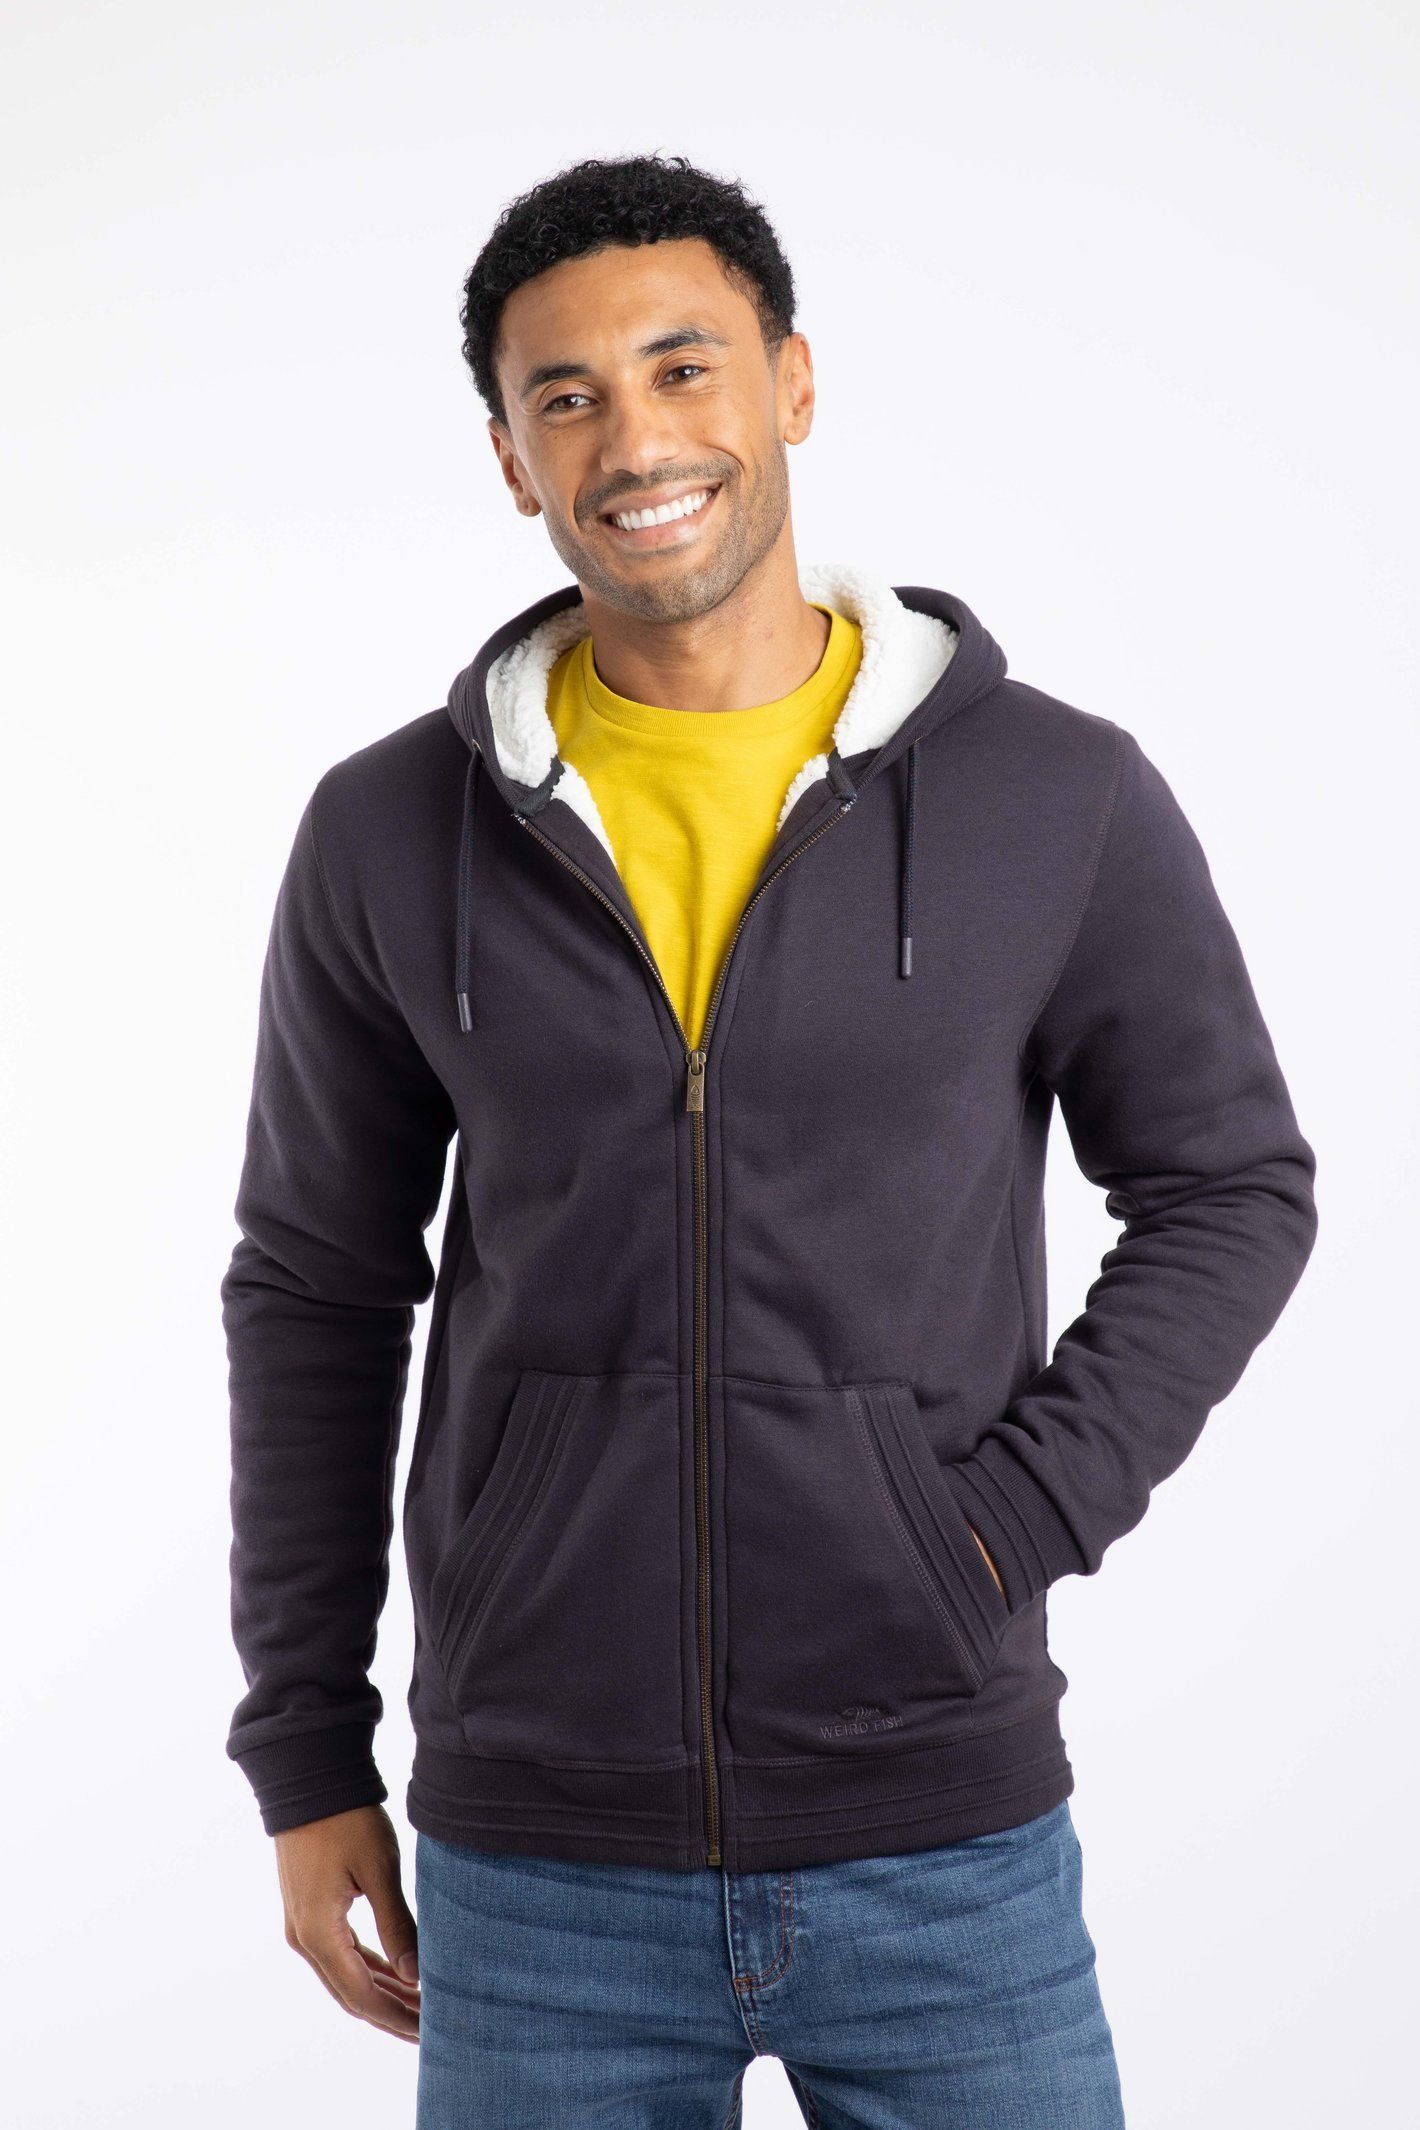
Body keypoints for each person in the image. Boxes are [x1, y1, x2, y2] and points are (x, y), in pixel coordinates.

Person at [222, 152, 1318, 2128]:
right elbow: (315, 1289)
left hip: (944, 1838)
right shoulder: (388, 831)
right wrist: (307, 1754)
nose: (636, 440)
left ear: (790, 382)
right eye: (566, 396)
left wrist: (1005, 1522)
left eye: (683, 367)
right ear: (509, 458)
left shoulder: (1050, 796)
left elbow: (1229, 1184)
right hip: (538, 1861)